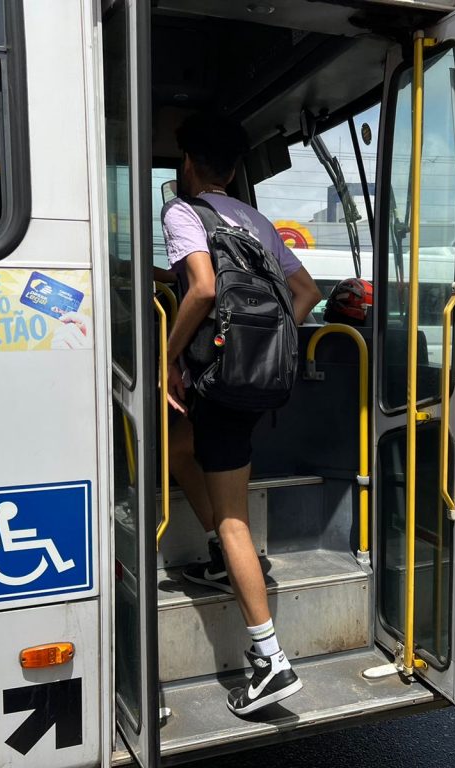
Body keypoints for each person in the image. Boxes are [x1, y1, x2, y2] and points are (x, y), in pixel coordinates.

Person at [161, 112, 321, 715]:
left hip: (217, 380)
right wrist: (273, 340)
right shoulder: (255, 221)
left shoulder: (184, 212)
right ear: (232, 169)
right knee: (179, 447)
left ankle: (269, 660)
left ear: (190, 166)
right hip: (255, 382)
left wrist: (165, 358)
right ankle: (214, 552)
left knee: (235, 521)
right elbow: (305, 292)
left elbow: (202, 289)